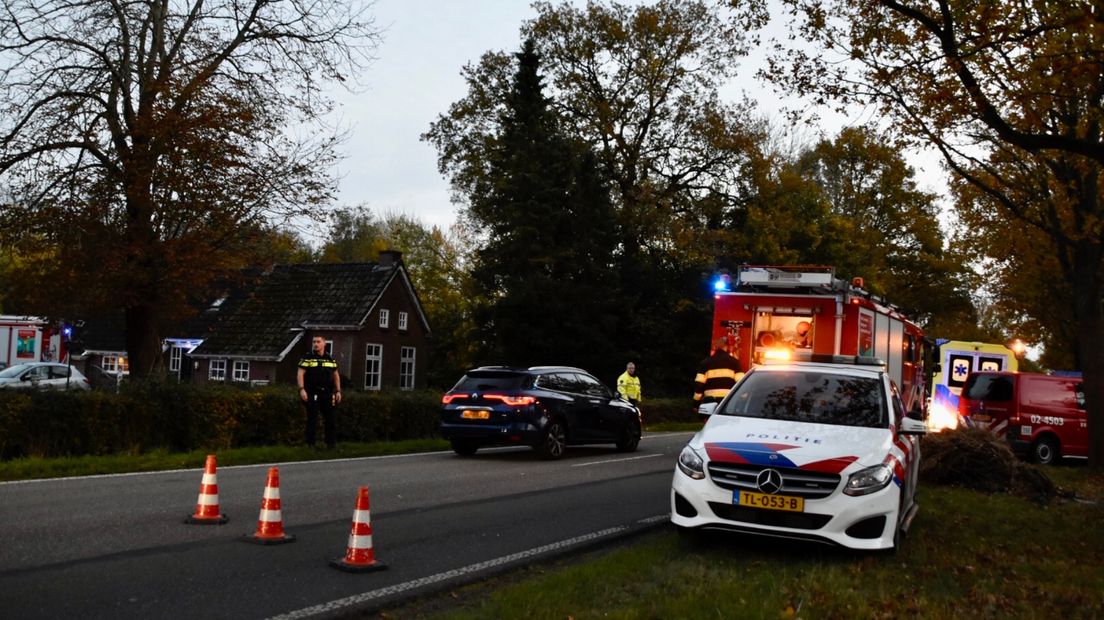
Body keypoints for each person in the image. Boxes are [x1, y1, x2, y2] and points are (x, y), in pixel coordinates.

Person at [297, 335, 342, 448]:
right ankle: (310, 445)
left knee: (330, 418)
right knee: (312, 418)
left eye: (318, 342)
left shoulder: (330, 359)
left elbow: (336, 375)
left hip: (327, 393)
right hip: (312, 392)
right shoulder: (308, 358)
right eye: (314, 342)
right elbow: (300, 374)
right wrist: (302, 389)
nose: (315, 344)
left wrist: (338, 391)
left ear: (324, 344)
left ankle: (330, 445)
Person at [693, 337, 744, 405]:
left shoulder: (705, 363)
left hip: (709, 402)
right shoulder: (734, 362)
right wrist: (743, 400)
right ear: (727, 347)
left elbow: (699, 384)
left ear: (715, 347)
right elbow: (740, 383)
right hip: (727, 403)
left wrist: (696, 402)